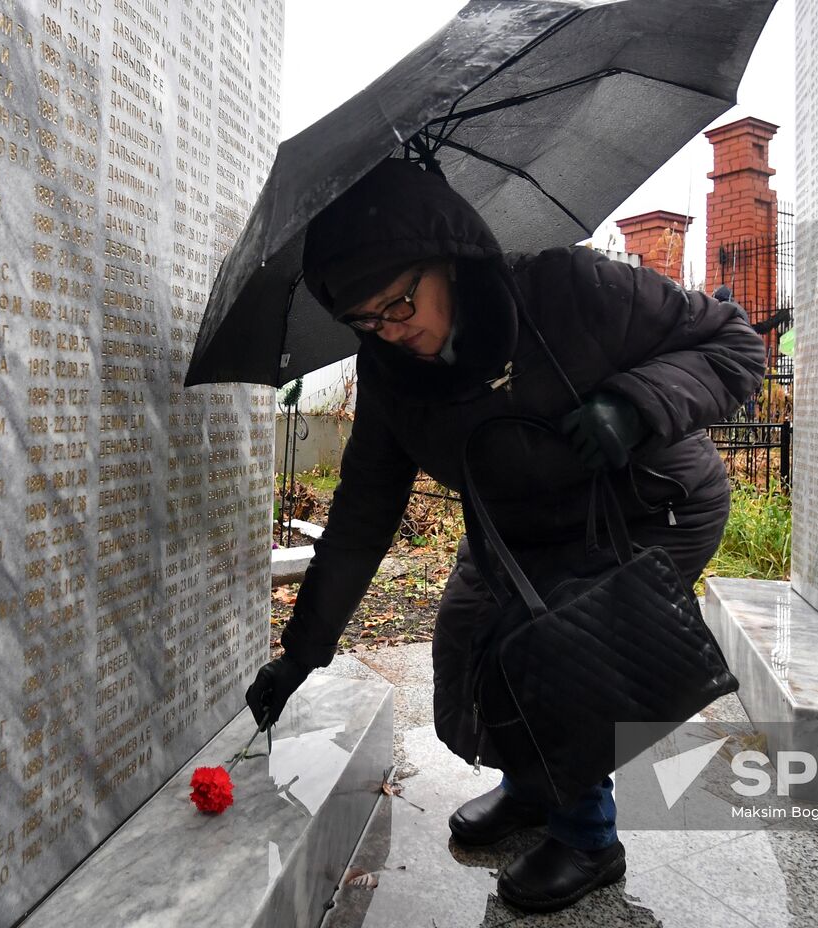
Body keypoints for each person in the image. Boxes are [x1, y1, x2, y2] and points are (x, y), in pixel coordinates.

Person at [245, 157, 765, 913]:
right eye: (368, 321)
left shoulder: (568, 289)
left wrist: (633, 404)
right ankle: (531, 788)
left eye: (400, 303)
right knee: (466, 638)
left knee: (558, 650)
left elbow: (731, 345)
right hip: (521, 521)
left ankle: (590, 839)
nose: (396, 331)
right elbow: (362, 514)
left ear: (447, 261)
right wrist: (301, 655)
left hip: (649, 501)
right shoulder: (391, 372)